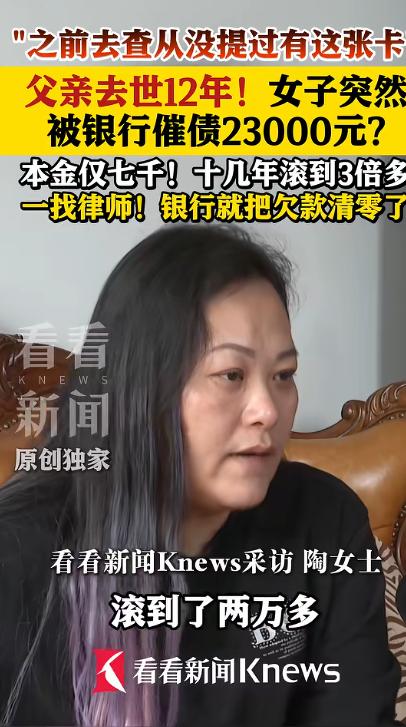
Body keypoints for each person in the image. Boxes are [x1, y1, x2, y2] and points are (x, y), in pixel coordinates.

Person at [0, 224, 401, 727]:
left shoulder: (325, 523)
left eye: (283, 375)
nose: (268, 411)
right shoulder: (20, 556)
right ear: (142, 389)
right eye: (231, 375)